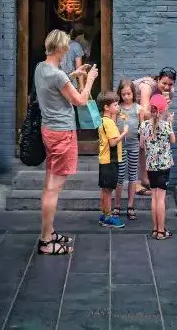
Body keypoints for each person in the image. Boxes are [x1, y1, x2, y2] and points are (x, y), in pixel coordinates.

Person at [35, 30, 98, 254]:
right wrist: (88, 80)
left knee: (48, 185)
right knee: (54, 189)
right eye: (66, 48)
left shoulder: (41, 68)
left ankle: (49, 232)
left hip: (48, 130)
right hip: (62, 132)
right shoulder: (57, 75)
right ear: (62, 48)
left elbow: (56, 83)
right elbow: (80, 100)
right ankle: (45, 241)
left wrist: (74, 74)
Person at [133, 67, 177, 196]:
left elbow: (160, 113)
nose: (167, 87)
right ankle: (139, 183)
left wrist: (164, 107)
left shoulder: (169, 91)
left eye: (170, 84)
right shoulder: (148, 86)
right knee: (137, 148)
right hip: (129, 110)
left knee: (145, 147)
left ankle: (145, 180)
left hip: (144, 116)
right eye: (164, 83)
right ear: (157, 79)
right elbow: (146, 112)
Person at [140, 94, 176, 240]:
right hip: (163, 166)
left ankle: (155, 229)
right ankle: (161, 231)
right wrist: (170, 123)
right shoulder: (166, 125)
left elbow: (142, 145)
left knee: (154, 198)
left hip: (150, 166)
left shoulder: (143, 125)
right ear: (163, 109)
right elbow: (173, 140)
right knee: (160, 198)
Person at [97, 91, 128, 228]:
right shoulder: (108, 123)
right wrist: (125, 133)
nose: (118, 107)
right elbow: (113, 143)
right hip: (110, 161)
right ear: (106, 107)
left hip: (105, 160)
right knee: (108, 190)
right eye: (115, 105)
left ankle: (104, 214)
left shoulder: (104, 120)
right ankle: (108, 217)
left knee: (105, 189)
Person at [114, 79, 142, 220]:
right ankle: (117, 205)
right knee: (119, 176)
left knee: (133, 176)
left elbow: (141, 128)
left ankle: (130, 206)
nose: (126, 97)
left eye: (128, 94)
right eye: (123, 94)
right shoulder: (117, 108)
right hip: (120, 146)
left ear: (133, 94)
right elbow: (113, 125)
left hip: (134, 146)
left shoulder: (138, 108)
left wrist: (142, 142)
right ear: (120, 94)